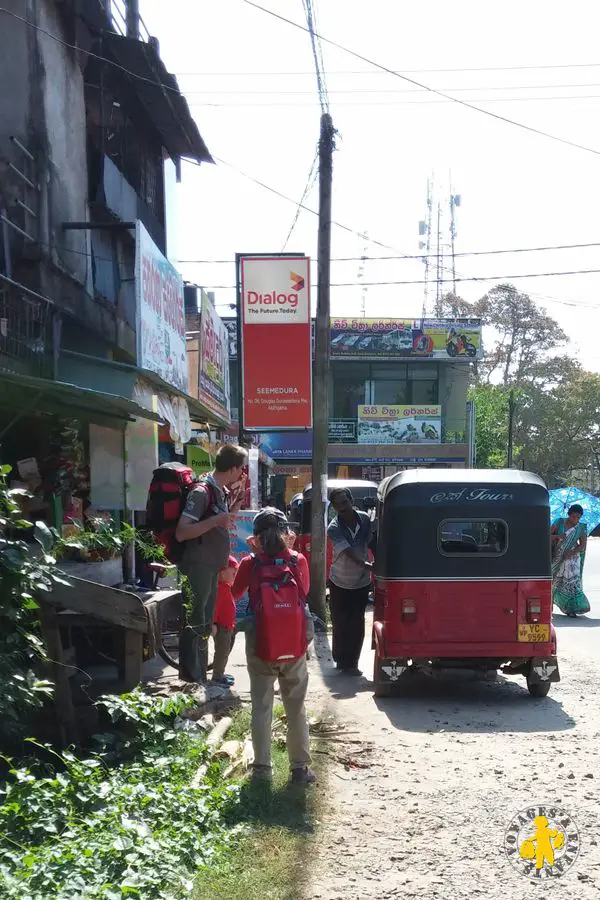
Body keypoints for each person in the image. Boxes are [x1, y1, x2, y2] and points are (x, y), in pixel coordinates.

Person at [232, 507, 315, 785]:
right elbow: (303, 593)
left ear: (255, 537)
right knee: (296, 707)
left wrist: (249, 557)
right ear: (285, 533)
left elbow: (235, 593)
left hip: (261, 641)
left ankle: (262, 771)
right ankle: (300, 770)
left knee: (262, 706)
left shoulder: (250, 563)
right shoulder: (298, 560)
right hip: (293, 641)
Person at [175, 443, 248, 682]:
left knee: (206, 622)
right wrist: (217, 520)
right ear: (234, 468)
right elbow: (182, 532)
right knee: (196, 621)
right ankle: (191, 676)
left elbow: (223, 521)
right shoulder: (201, 492)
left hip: (212, 566)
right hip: (198, 565)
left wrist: (237, 501)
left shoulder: (221, 491)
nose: (243, 473)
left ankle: (201, 677)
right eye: (242, 469)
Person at [327, 488, 373, 675]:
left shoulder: (365, 519)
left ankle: (352, 663)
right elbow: (347, 551)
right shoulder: (334, 527)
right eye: (338, 505)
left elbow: (372, 541)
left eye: (344, 502)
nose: (342, 508)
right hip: (339, 581)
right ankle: (340, 660)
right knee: (340, 622)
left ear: (351, 501)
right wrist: (368, 565)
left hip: (361, 582)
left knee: (357, 622)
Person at [551, 503, 590, 617]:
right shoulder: (558, 522)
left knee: (571, 584)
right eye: (574, 516)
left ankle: (571, 608)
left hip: (572, 560)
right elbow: (546, 535)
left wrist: (572, 552)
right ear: (569, 515)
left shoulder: (581, 527)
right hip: (557, 557)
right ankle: (549, 606)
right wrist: (558, 537)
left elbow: (582, 545)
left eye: (578, 517)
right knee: (553, 582)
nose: (576, 519)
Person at [211, 555, 239, 686]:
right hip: (222, 626)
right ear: (222, 572)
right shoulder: (220, 588)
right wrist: (214, 623)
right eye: (233, 571)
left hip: (227, 625)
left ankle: (220, 673)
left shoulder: (225, 586)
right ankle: (217, 676)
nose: (235, 573)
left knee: (225, 651)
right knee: (222, 652)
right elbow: (215, 607)